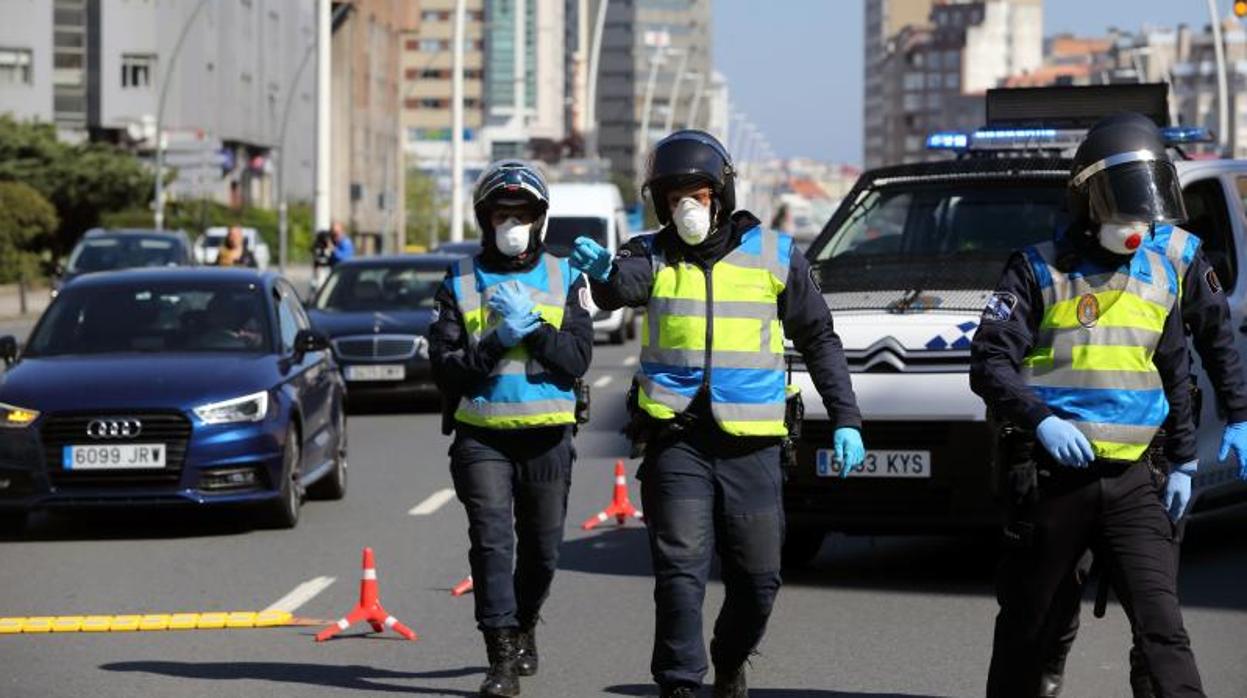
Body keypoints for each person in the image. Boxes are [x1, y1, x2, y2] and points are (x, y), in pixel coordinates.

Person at [567, 130, 866, 698]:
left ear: (721, 195)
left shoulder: (774, 255)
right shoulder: (647, 251)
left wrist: (846, 418)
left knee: (759, 579)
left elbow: (819, 337)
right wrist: (604, 272)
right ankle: (680, 682)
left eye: (697, 195)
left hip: (751, 443)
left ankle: (729, 660)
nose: (687, 207)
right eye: (675, 197)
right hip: (675, 437)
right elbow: (621, 287)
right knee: (680, 571)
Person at [971, 112, 1218, 698]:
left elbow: (1174, 367)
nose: (1136, 226)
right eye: (1124, 210)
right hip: (1054, 478)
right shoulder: (1035, 269)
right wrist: (1043, 420)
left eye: (1144, 212)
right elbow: (989, 363)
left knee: (1163, 630)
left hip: (1135, 480)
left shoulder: (1160, 273)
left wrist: (1183, 459)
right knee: (1030, 628)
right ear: (1088, 201)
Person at [1032, 116, 1247, 698]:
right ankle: (1045, 671)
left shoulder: (1177, 248)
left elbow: (1214, 337)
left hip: (1150, 449)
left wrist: (1237, 417)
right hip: (1071, 454)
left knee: (1154, 609)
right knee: (1052, 601)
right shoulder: (1066, 248)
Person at [428, 159, 592, 698]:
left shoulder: (566, 276)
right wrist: (498, 338)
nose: (512, 223)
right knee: (493, 544)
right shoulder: (458, 279)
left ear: (540, 219)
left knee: (542, 551)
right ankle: (499, 657)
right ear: (486, 219)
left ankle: (525, 623)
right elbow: (446, 366)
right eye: (502, 213)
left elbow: (577, 358)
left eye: (521, 213)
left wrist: (537, 327)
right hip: (483, 437)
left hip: (548, 435)